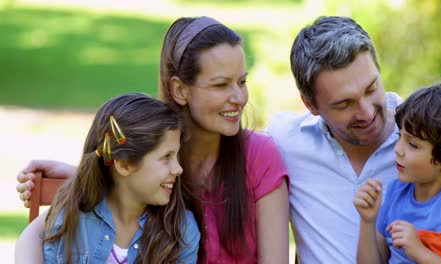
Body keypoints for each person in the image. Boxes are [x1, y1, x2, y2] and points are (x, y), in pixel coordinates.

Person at [15, 16, 290, 264]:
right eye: (221, 84)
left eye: (242, 82)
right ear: (180, 89)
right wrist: (84, 179)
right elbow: (129, 187)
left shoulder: (260, 156)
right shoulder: (155, 149)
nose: (239, 98)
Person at [265, 16, 402, 263]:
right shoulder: (285, 141)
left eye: (371, 89)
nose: (367, 112)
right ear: (310, 104)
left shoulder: (426, 136)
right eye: (344, 104)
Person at [29, 93, 200, 263]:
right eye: (166, 157)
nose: (178, 169)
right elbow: (33, 239)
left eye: (176, 156)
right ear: (124, 165)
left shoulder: (181, 231)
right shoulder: (71, 216)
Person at [354, 83, 441, 263]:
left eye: (413, 144)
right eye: (400, 136)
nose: (398, 149)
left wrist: (419, 252)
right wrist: (367, 221)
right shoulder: (396, 192)